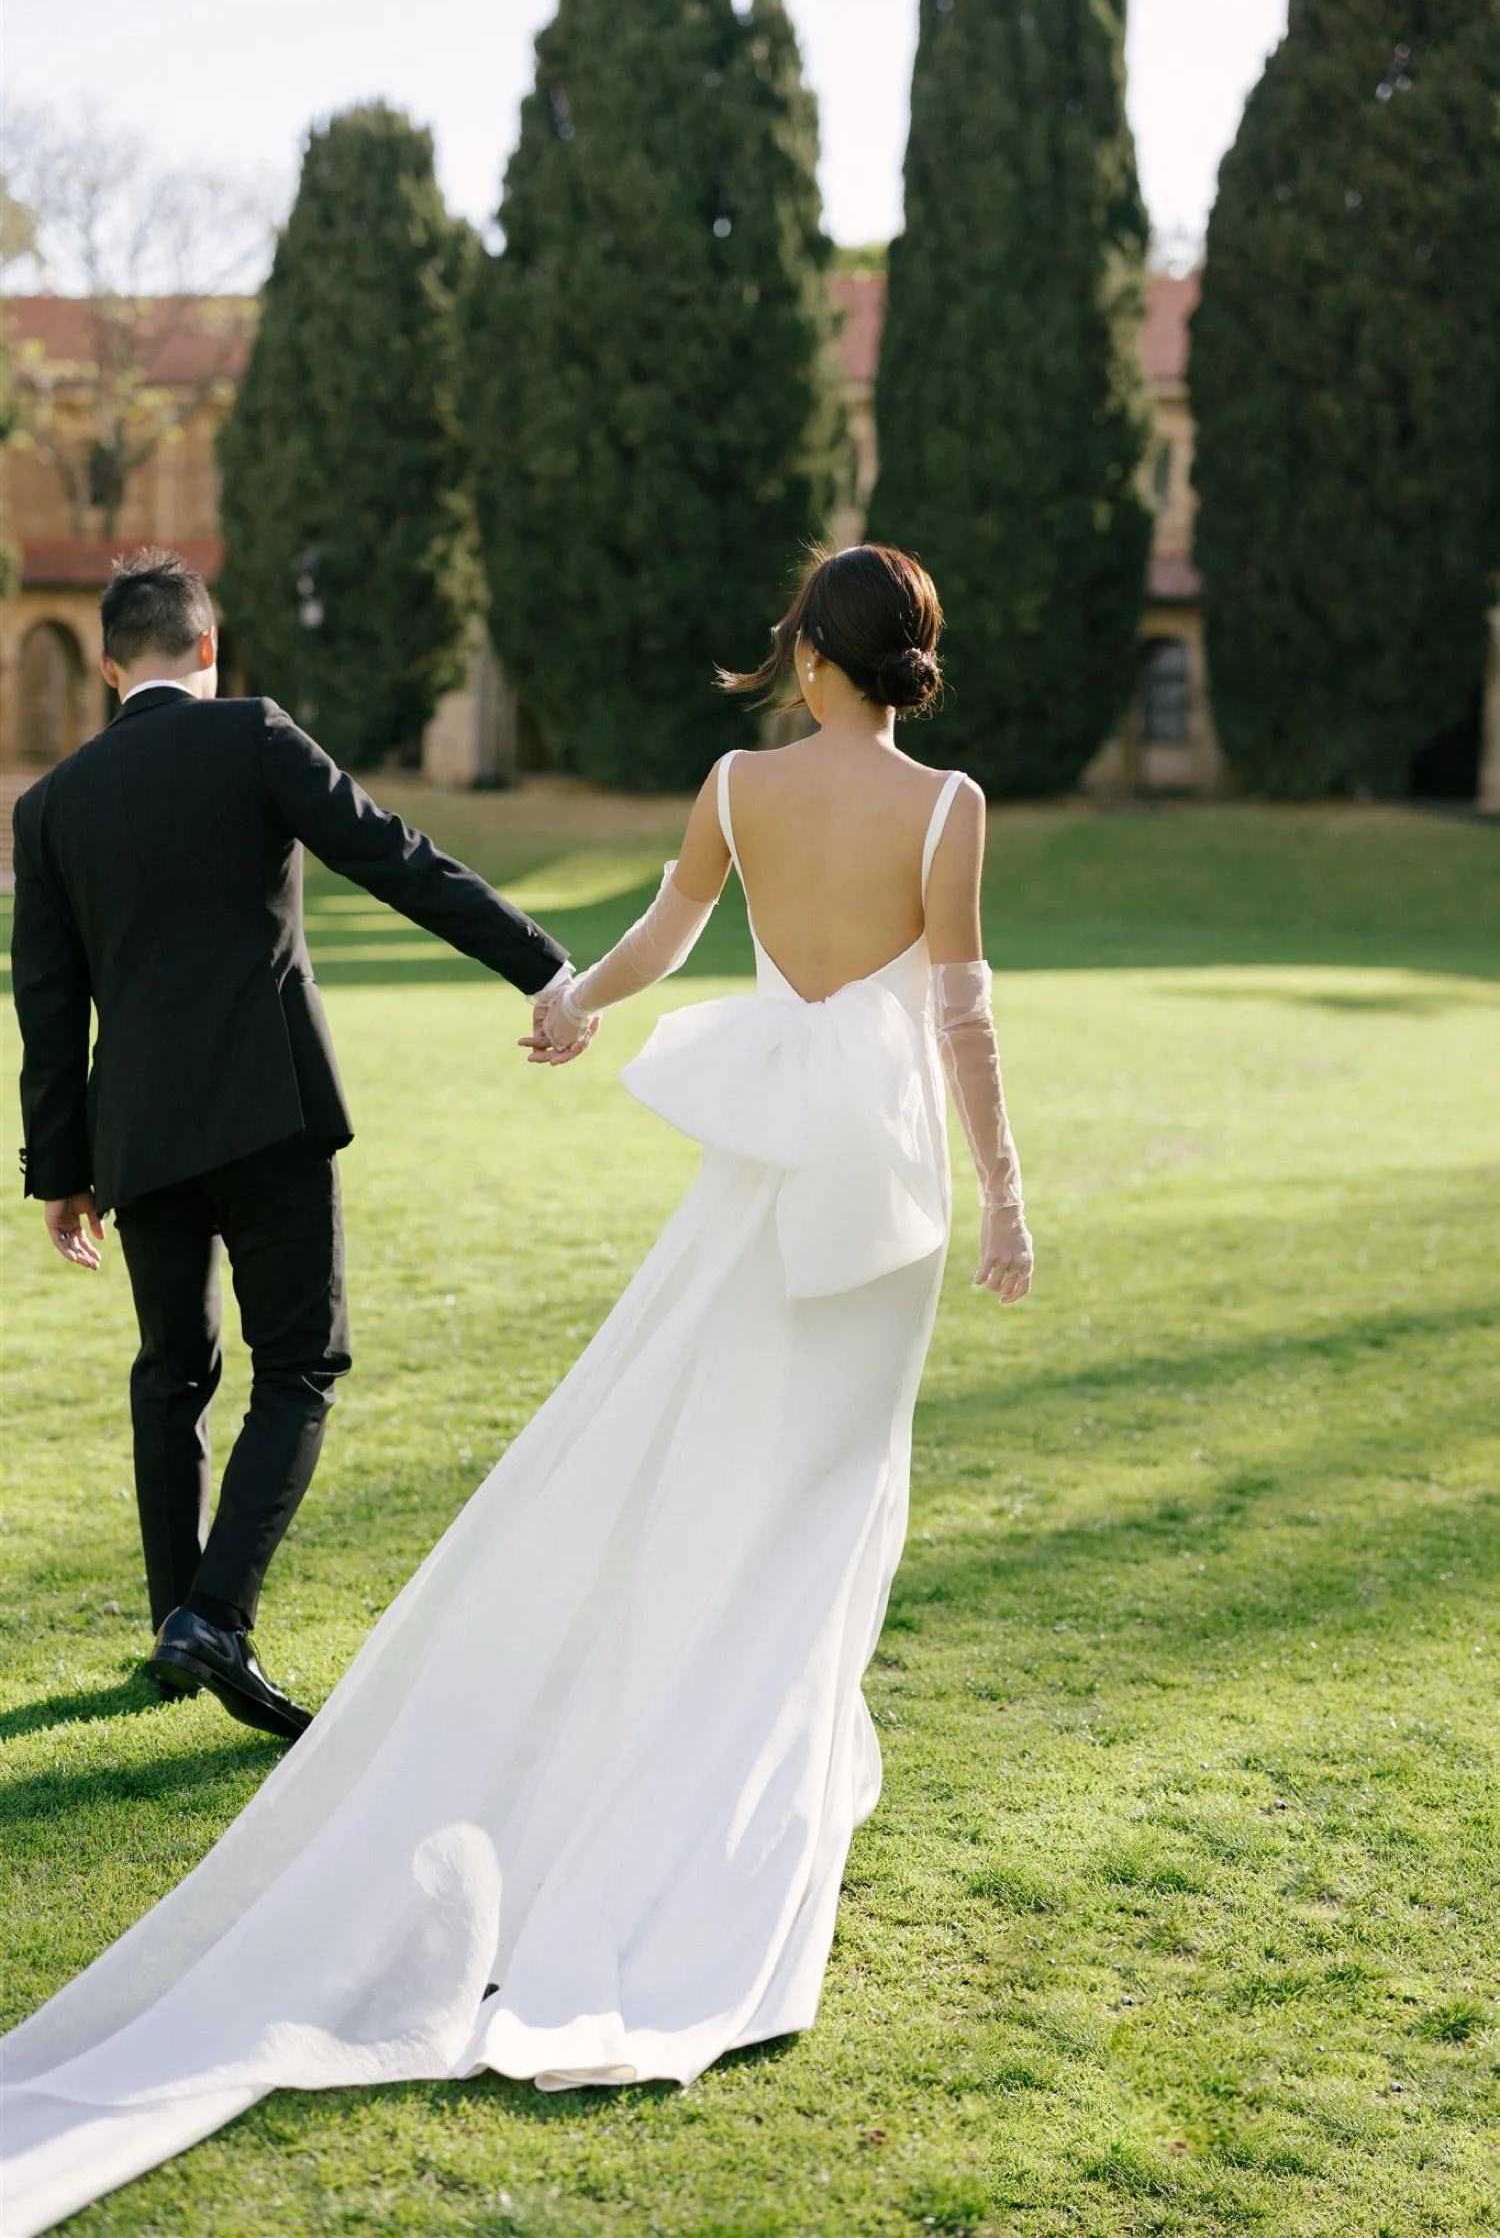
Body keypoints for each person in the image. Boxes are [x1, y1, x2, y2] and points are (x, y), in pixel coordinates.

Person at [0, 544, 1032, 2237]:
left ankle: (210, 1612)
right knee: (804, 1496)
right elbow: (962, 1019)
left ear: (801, 650)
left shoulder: (735, 782)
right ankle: (727, 1798)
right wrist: (1004, 1196)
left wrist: (569, 1002)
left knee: (211, 1375)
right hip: (874, 1187)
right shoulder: (953, 808)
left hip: (716, 1168)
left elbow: (660, 930)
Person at [8, 549, 582, 1746]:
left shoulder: (49, 805)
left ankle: (178, 1624)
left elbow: (47, 1007)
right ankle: (212, 1614)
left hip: (141, 1136)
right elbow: (393, 856)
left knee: (172, 1374)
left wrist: (58, 1169)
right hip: (271, 1113)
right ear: (209, 651)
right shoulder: (254, 734)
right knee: (300, 1368)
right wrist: (542, 962)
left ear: (111, 665)